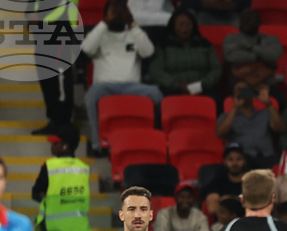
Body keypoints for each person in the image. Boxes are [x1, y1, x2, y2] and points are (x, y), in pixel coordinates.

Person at [81, 0, 162, 156]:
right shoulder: (99, 34)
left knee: (156, 94)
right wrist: (105, 22)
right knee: (92, 95)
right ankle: (98, 144)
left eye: (121, 11)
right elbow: (86, 48)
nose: (117, 14)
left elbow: (148, 51)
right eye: (113, 11)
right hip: (105, 87)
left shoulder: (134, 34)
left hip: (133, 86)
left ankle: (154, 137)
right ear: (105, 14)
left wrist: (132, 23)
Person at [147, 9, 223, 101]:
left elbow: (216, 68)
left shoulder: (205, 44)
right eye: (181, 25)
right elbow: (156, 70)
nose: (185, 28)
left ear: (193, 26)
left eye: (188, 25)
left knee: (216, 100)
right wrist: (176, 85)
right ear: (173, 26)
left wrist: (203, 84)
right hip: (171, 89)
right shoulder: (163, 46)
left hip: (203, 88)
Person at [32, 124, 92, 231]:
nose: (52, 146)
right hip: (80, 230)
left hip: (52, 230)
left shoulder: (49, 166)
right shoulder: (84, 168)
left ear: (65, 146)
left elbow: (35, 193)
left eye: (56, 143)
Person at [30, 0, 79, 136]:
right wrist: (31, 18)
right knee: (46, 79)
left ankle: (63, 122)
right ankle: (53, 120)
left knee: (60, 78)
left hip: (60, 33)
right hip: (41, 35)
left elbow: (69, 9)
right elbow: (30, 9)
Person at [216, 80, 285, 169]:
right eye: (239, 90)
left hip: (267, 157)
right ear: (233, 96)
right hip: (243, 160)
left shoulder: (265, 113)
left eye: (245, 90)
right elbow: (220, 133)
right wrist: (234, 108)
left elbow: (281, 128)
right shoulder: (227, 116)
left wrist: (268, 103)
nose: (242, 92)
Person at [222, 9, 282, 87]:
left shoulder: (271, 39)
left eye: (251, 20)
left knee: (278, 98)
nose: (247, 22)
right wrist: (260, 57)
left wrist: (251, 48)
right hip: (239, 83)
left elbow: (275, 55)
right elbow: (231, 56)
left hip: (266, 83)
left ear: (259, 23)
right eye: (244, 20)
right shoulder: (231, 39)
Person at [183, 0, 247, 26]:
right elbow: (186, 3)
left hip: (231, 15)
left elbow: (247, 3)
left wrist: (236, 4)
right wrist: (202, 3)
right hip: (204, 15)